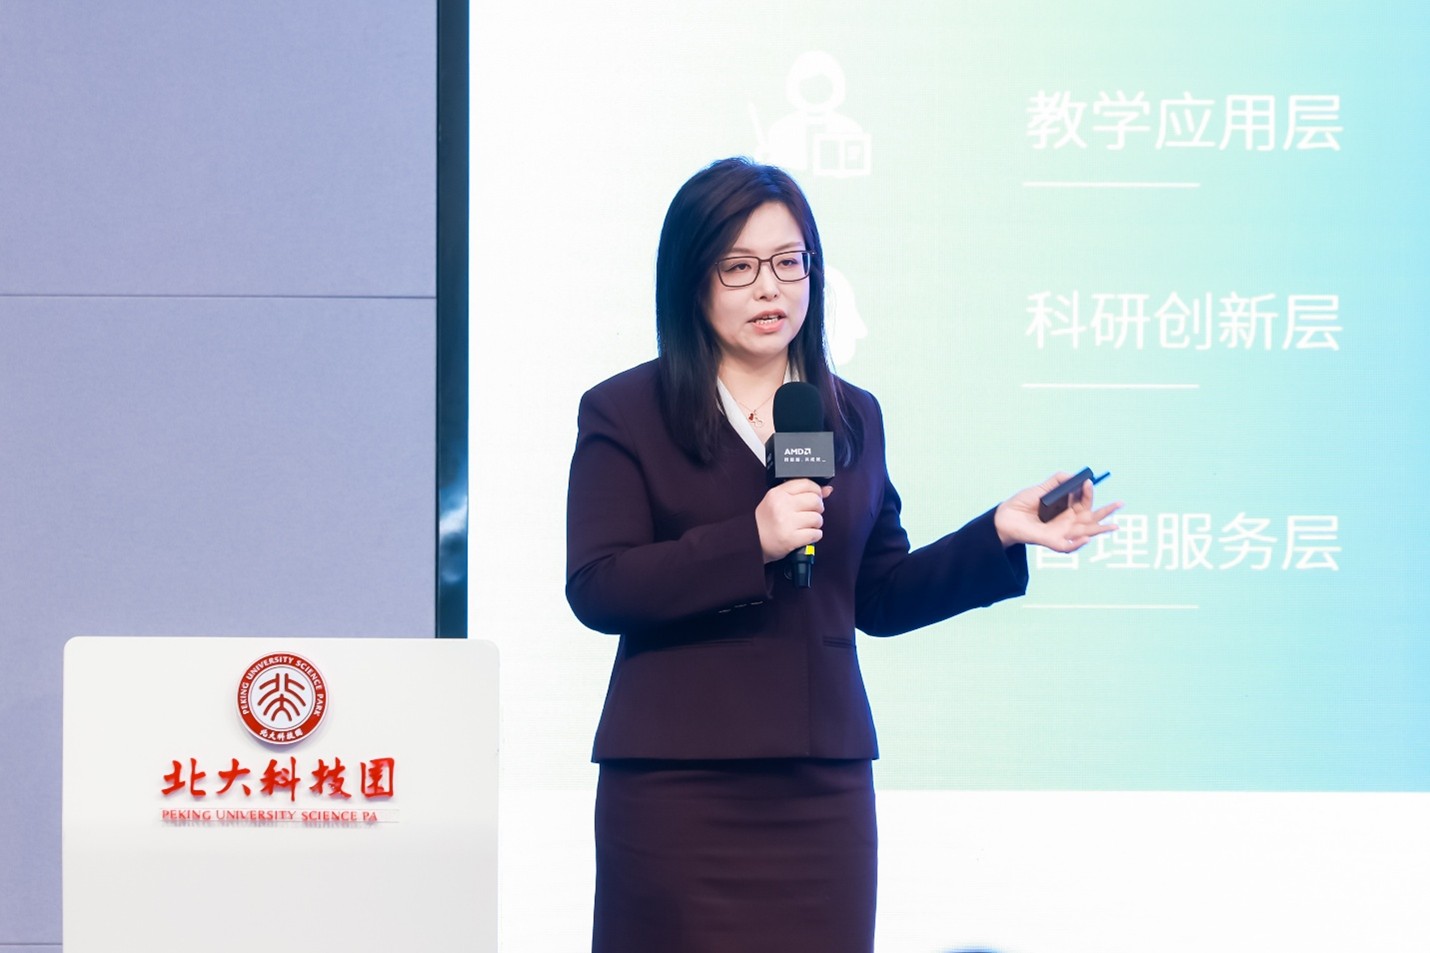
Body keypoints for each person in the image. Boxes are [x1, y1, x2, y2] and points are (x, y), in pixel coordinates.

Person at [565, 157, 1119, 953]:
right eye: (740, 267)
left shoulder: (849, 413)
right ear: (692, 279)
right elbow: (599, 584)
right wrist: (751, 540)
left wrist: (998, 531)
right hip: (676, 784)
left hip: (821, 788)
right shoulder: (627, 410)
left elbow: (880, 594)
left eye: (789, 263)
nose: (770, 288)